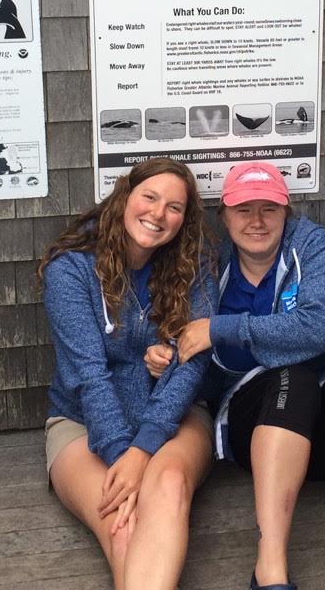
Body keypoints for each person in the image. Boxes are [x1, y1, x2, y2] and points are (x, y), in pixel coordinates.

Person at [164, 162, 325, 590]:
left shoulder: (316, 248)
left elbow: (318, 327)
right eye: (243, 209)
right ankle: (269, 566)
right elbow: (185, 342)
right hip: (253, 428)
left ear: (286, 211)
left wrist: (221, 329)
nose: (256, 221)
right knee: (293, 378)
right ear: (224, 216)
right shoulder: (208, 265)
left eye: (269, 209)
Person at [40, 158, 215, 590]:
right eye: (150, 197)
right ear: (125, 196)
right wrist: (123, 454)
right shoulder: (72, 270)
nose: (159, 214)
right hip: (82, 423)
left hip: (175, 418)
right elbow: (87, 376)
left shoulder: (193, 266)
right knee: (123, 521)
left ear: (184, 219)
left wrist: (147, 443)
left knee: (170, 485)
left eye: (174, 207)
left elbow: (194, 363)